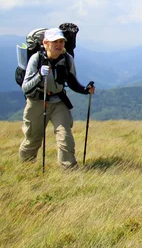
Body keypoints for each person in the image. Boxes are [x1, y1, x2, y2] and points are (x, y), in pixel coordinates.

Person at [19, 27, 95, 168]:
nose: (59, 45)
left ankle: (69, 171)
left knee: (65, 137)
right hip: (36, 102)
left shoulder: (67, 59)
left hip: (58, 101)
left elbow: (72, 82)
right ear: (46, 43)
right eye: (55, 42)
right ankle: (26, 168)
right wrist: (39, 76)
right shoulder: (36, 59)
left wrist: (85, 90)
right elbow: (26, 87)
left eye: (61, 41)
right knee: (33, 139)